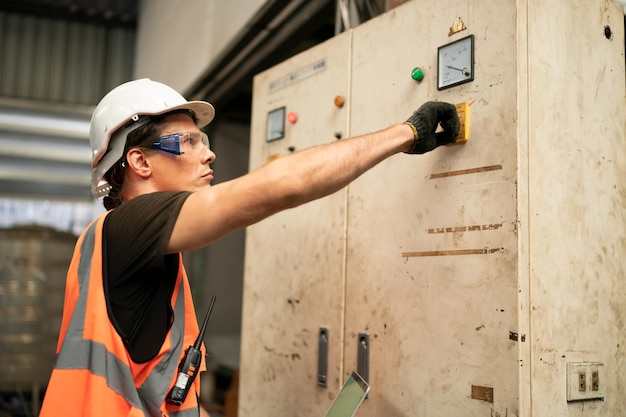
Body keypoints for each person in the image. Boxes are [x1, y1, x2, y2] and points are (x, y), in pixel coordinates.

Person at [39, 78, 459, 417]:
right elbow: (285, 184)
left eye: (204, 140)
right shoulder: (128, 228)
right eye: (189, 142)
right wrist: (405, 134)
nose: (210, 153)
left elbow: (161, 392)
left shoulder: (129, 248)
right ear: (140, 162)